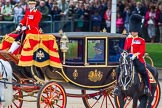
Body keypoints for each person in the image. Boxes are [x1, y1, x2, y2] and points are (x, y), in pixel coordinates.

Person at [113, 14, 152, 96]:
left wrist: (135, 55)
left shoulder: (141, 40)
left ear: (138, 31)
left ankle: (147, 88)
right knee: (118, 70)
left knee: (143, 71)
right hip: (128, 59)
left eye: (135, 31)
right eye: (132, 31)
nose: (133, 32)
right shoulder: (128, 39)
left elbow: (142, 52)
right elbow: (125, 49)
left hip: (137, 59)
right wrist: (125, 54)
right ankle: (117, 86)